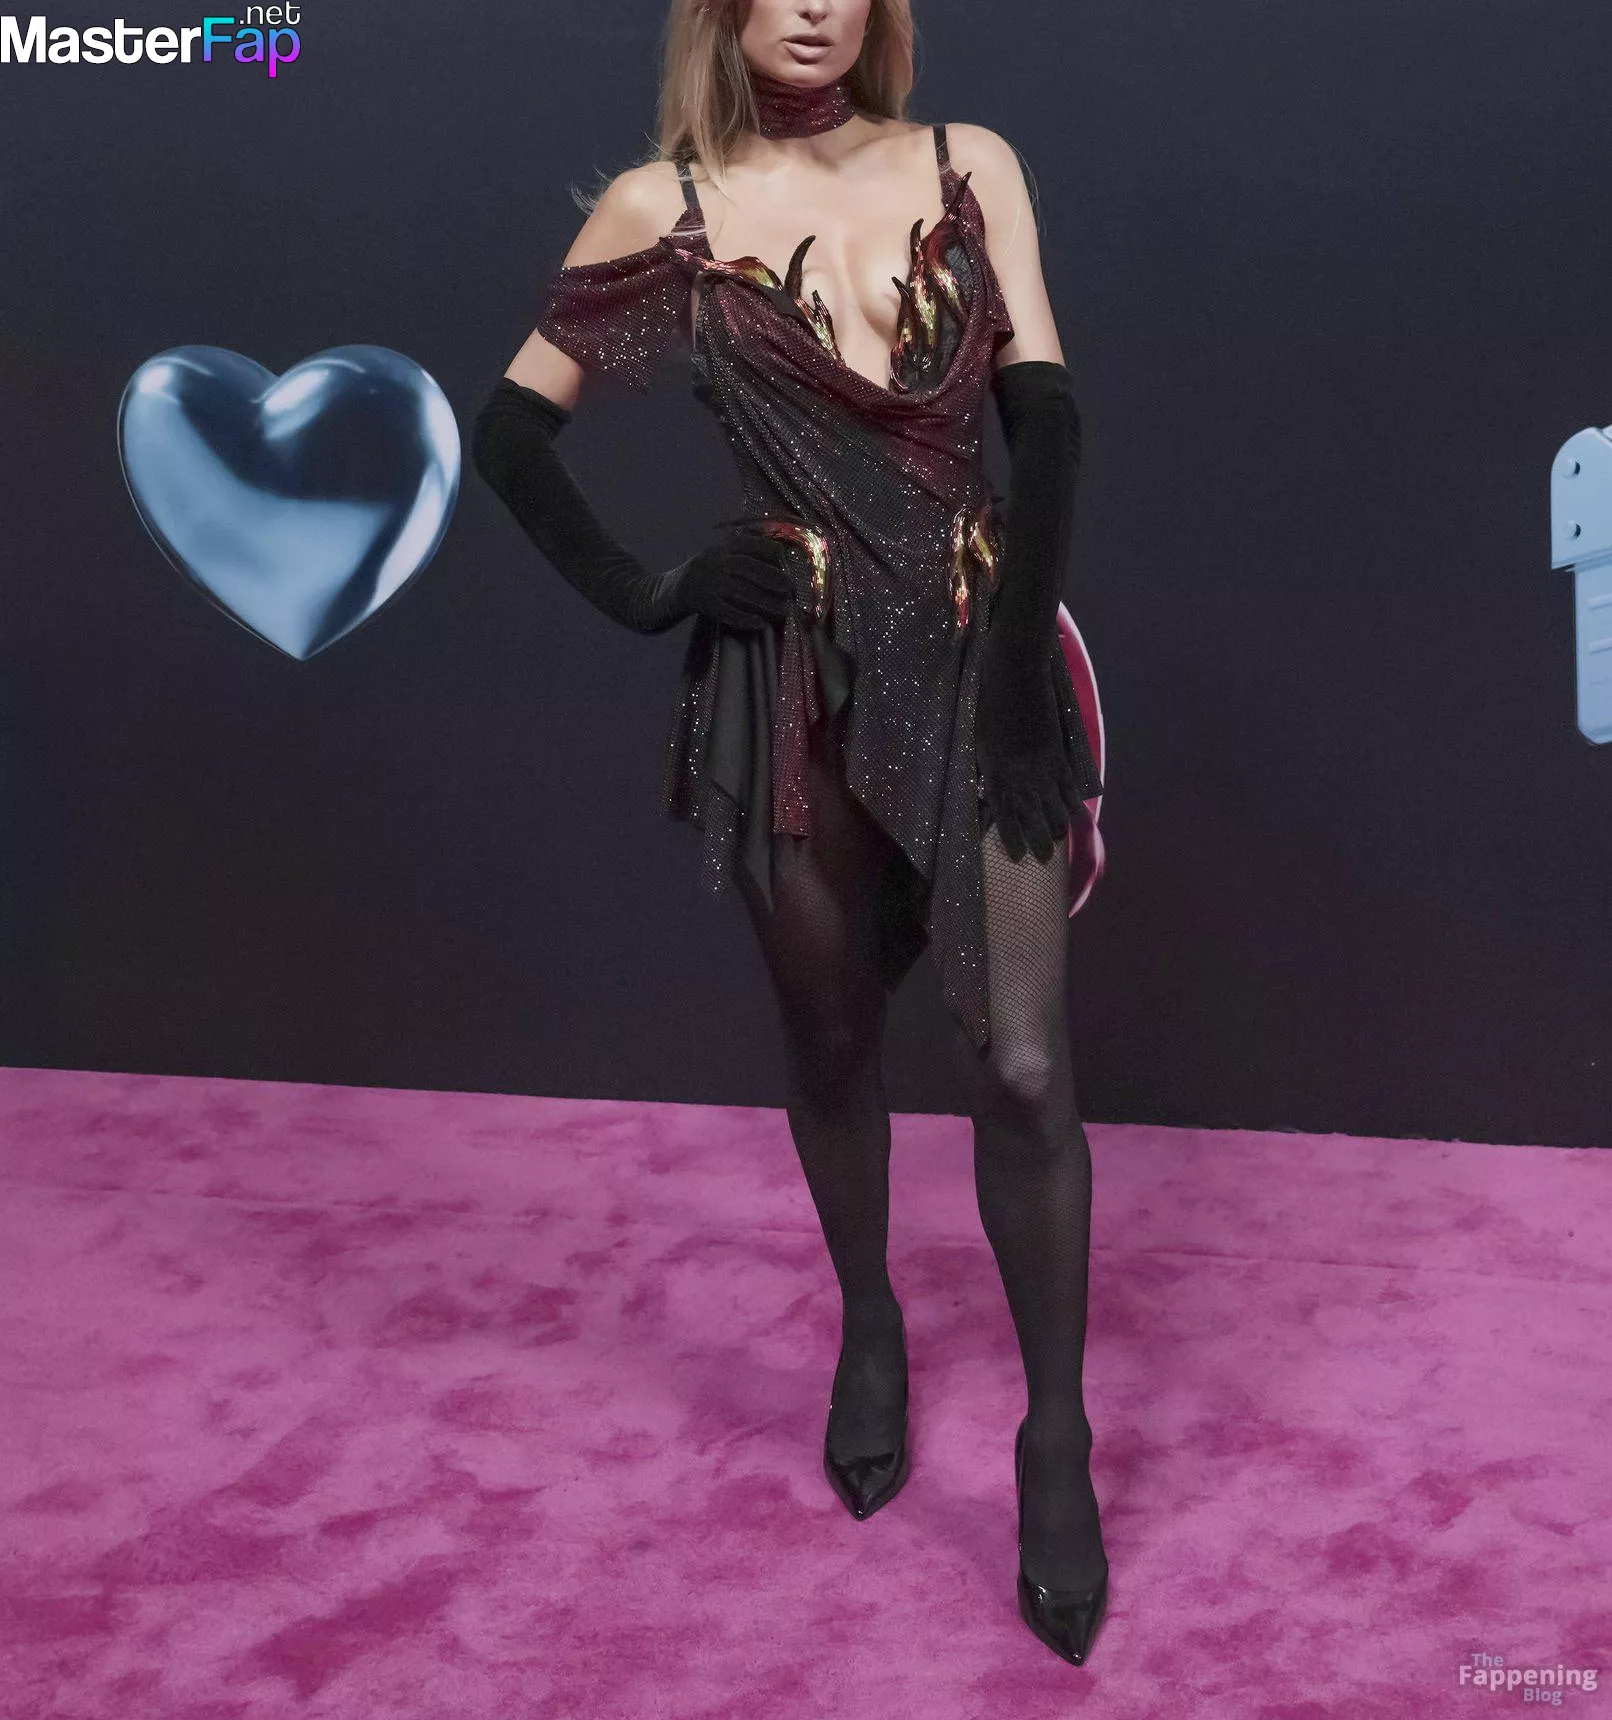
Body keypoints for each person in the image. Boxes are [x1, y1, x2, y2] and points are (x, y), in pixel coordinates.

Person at [470, 0, 1108, 1667]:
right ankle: (871, 1324)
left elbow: (1044, 418)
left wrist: (1020, 673)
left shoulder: (967, 163)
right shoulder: (663, 210)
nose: (815, 4)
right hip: (790, 685)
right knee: (832, 1041)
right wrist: (658, 590)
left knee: (1024, 1059)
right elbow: (509, 436)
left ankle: (1055, 1441)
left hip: (974, 661)